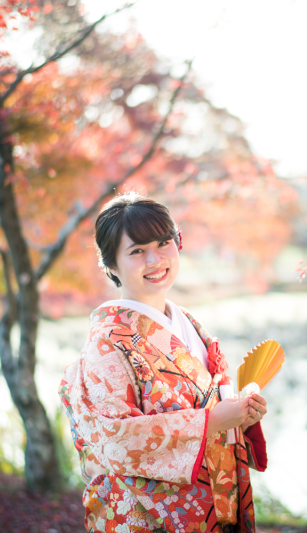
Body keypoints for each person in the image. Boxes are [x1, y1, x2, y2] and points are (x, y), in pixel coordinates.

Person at [59, 192, 268, 533]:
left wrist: (242, 416)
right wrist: (213, 420)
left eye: (163, 243)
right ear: (111, 264)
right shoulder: (106, 342)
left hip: (217, 502)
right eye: (137, 251)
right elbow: (115, 440)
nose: (155, 260)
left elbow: (212, 403)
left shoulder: (189, 323)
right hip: (150, 515)